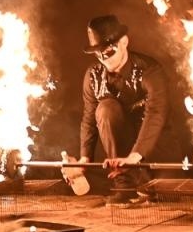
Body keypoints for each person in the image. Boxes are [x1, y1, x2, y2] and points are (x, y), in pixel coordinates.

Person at [65, 15, 168, 198]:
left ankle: (140, 178)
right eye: (98, 54)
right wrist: (83, 160)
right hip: (119, 147)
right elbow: (89, 119)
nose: (104, 59)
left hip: (153, 142)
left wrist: (134, 157)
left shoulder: (149, 71)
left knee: (166, 190)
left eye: (109, 52)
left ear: (124, 42)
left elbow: (155, 114)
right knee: (105, 109)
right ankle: (125, 185)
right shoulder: (93, 76)